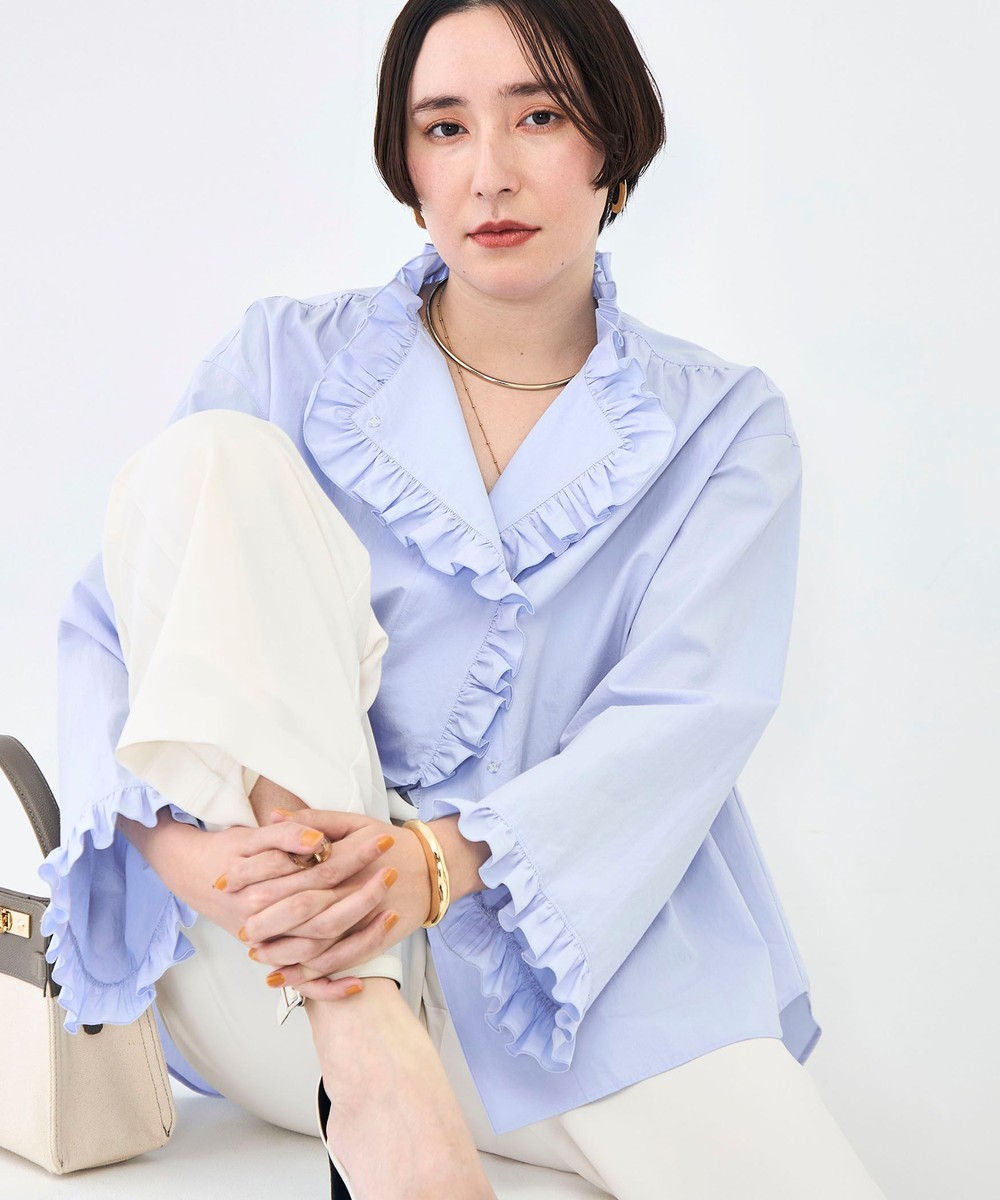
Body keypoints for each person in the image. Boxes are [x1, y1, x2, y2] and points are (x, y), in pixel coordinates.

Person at [39, 1, 888, 1197]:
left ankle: (390, 1071)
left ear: (611, 144)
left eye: (537, 117)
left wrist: (428, 868)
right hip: (271, 977)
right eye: (444, 127)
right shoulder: (283, 362)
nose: (489, 172)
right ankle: (373, 1058)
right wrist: (247, 886)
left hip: (579, 973)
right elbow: (115, 649)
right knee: (207, 460)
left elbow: (683, 720)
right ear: (408, 167)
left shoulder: (720, 427)